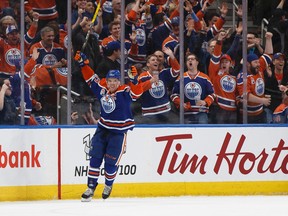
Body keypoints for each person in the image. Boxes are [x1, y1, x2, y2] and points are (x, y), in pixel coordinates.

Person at [74, 51, 144, 201]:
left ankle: (108, 184)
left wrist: (135, 81)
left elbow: (137, 94)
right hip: (103, 129)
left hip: (118, 133)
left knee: (111, 162)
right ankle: (90, 188)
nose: (112, 83)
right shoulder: (102, 88)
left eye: (115, 81)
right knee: (95, 158)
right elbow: (91, 79)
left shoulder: (125, 91)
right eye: (110, 80)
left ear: (119, 82)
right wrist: (83, 64)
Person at [170, 53, 214, 124]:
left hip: (201, 112)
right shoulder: (181, 78)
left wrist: (205, 102)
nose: (190, 61)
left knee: (202, 132)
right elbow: (174, 95)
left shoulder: (205, 78)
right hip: (186, 113)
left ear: (197, 62)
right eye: (188, 60)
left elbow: (212, 94)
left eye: (192, 59)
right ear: (186, 63)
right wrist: (180, 103)